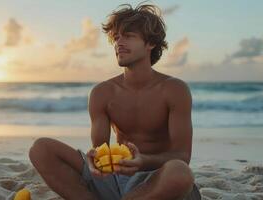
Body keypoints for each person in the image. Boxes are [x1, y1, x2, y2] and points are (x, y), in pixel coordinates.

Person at [29, 3, 201, 200]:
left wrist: (142, 161)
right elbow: (99, 151)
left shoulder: (174, 89)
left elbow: (182, 156)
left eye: (128, 36)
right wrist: (94, 162)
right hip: (114, 178)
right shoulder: (102, 93)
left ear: (150, 44)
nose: (119, 42)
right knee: (41, 149)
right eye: (116, 37)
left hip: (157, 179)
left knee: (180, 173)